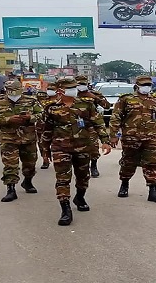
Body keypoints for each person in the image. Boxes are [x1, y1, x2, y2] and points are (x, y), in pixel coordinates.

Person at [41, 78, 112, 226]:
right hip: (60, 149)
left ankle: (80, 197)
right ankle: (65, 209)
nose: (74, 90)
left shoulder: (86, 105)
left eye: (74, 87)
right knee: (62, 179)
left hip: (83, 147)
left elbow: (97, 123)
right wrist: (45, 149)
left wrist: (105, 141)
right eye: (70, 88)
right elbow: (47, 130)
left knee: (83, 177)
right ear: (60, 91)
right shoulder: (51, 107)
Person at [110, 75, 156, 203]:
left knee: (152, 163)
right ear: (137, 86)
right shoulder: (126, 99)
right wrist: (113, 135)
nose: (146, 87)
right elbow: (116, 117)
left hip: (151, 137)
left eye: (148, 85)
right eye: (144, 85)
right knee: (128, 162)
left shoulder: (155, 100)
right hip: (131, 137)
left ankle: (153, 191)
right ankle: (124, 184)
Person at [0, 80, 43, 202]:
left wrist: (30, 117)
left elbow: (41, 115)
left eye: (14, 90)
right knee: (10, 165)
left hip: (28, 138)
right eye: (9, 90)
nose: (12, 93)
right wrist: (8, 119)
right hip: (8, 139)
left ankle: (28, 181)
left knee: (30, 164)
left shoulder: (31, 101)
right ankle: (11, 189)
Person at [76, 75, 111, 178]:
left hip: (91, 124)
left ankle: (94, 166)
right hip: (75, 125)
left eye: (83, 84)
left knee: (93, 147)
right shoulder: (71, 94)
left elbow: (107, 106)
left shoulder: (94, 94)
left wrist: (95, 98)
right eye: (79, 84)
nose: (81, 87)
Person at [36, 82, 59, 169]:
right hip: (41, 125)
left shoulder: (60, 100)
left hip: (55, 126)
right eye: (49, 89)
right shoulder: (42, 99)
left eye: (52, 89)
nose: (50, 91)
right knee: (42, 143)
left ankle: (58, 159)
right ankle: (45, 159)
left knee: (56, 143)